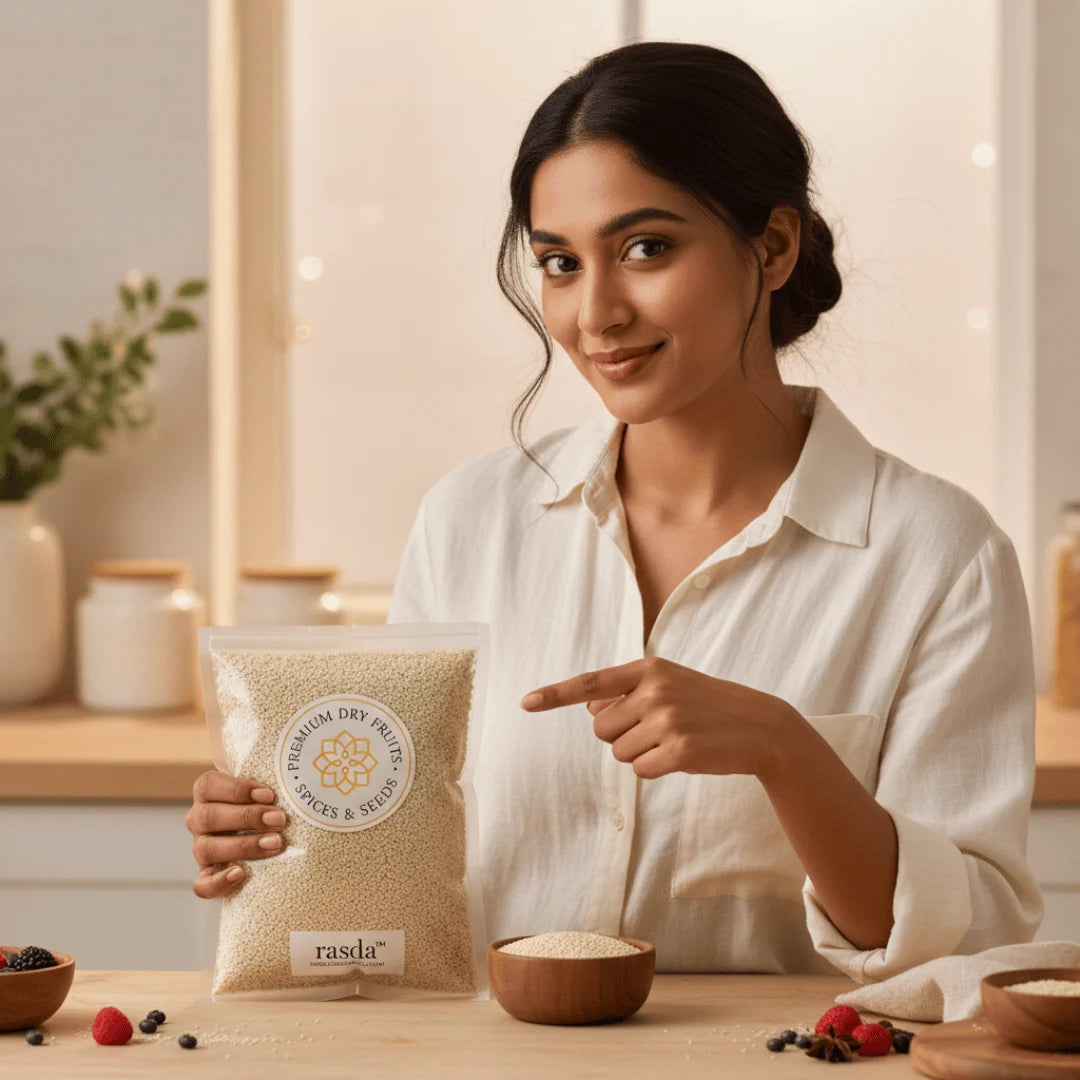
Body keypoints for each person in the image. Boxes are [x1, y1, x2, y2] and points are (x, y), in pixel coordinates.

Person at [186, 40, 1044, 981]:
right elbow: (408, 856)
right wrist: (289, 834)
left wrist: (783, 750)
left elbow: (971, 947)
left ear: (773, 246)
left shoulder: (940, 557)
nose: (596, 314)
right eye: (559, 262)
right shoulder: (469, 522)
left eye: (646, 249)